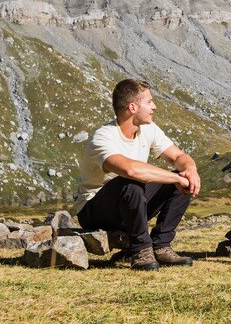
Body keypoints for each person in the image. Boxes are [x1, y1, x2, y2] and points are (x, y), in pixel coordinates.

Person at [74, 79, 201, 271]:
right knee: (131, 181)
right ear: (132, 107)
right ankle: (141, 250)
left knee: (182, 179)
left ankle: (161, 246)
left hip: (130, 204)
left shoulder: (148, 129)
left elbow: (178, 156)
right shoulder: (103, 137)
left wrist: (190, 170)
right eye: (149, 102)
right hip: (94, 211)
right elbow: (130, 170)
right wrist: (177, 178)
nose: (154, 106)